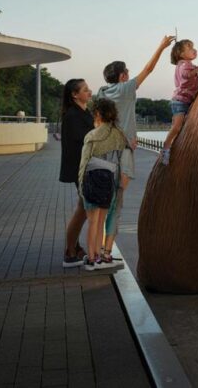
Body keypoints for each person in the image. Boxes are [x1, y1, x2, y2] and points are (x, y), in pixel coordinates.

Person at [96, 34, 174, 263]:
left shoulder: (102, 92)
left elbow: (99, 123)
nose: (130, 75)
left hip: (102, 151)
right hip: (123, 152)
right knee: (116, 201)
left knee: (103, 202)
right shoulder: (126, 89)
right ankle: (106, 251)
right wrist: (162, 46)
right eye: (127, 72)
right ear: (122, 76)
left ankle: (97, 249)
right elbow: (149, 69)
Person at [78, 98, 128, 271]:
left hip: (92, 181)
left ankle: (91, 259)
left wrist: (81, 187)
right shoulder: (119, 135)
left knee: (92, 222)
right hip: (109, 183)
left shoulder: (92, 136)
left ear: (98, 114)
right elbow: (121, 161)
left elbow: (83, 163)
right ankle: (99, 256)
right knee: (100, 222)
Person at [161, 38, 198, 164]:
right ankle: (166, 147)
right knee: (177, 127)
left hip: (189, 100)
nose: (194, 49)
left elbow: (195, 72)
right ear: (181, 54)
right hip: (180, 102)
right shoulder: (183, 65)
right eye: (190, 48)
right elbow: (188, 75)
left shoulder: (187, 65)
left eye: (193, 47)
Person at [59, 79, 93, 267]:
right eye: (85, 89)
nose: (89, 92)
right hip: (81, 168)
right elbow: (86, 139)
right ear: (74, 94)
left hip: (86, 167)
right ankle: (70, 251)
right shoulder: (73, 115)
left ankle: (75, 247)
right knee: (83, 209)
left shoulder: (84, 112)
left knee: (83, 208)